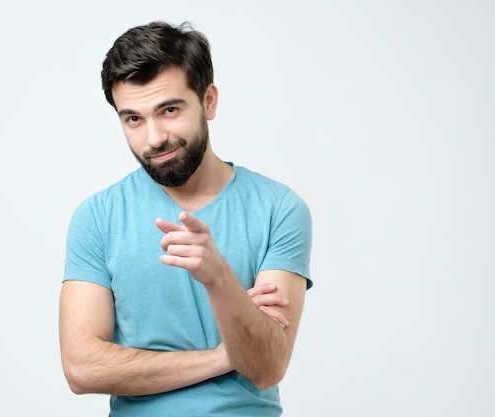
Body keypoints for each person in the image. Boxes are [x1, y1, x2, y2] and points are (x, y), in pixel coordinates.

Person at [59, 21, 313, 417]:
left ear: (208, 101)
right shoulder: (98, 216)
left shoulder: (278, 208)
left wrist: (217, 274)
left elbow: (266, 368)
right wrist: (223, 356)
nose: (155, 137)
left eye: (170, 110)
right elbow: (81, 368)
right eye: (133, 119)